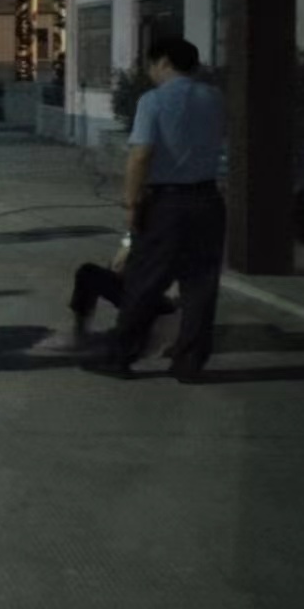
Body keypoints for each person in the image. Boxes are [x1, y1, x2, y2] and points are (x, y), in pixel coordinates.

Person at [86, 37, 226, 382]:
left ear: (163, 62)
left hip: (168, 203)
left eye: (151, 65)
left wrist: (131, 203)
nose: (150, 72)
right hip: (208, 200)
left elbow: (140, 154)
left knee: (144, 281)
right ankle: (190, 362)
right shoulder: (214, 98)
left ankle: (120, 355)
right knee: (200, 286)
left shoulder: (153, 101)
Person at [49, 235, 176, 352]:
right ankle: (80, 334)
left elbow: (120, 265)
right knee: (87, 273)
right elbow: (117, 264)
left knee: (89, 274)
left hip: (160, 300)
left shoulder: (163, 228)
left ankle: (138, 340)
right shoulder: (143, 229)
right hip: (145, 292)